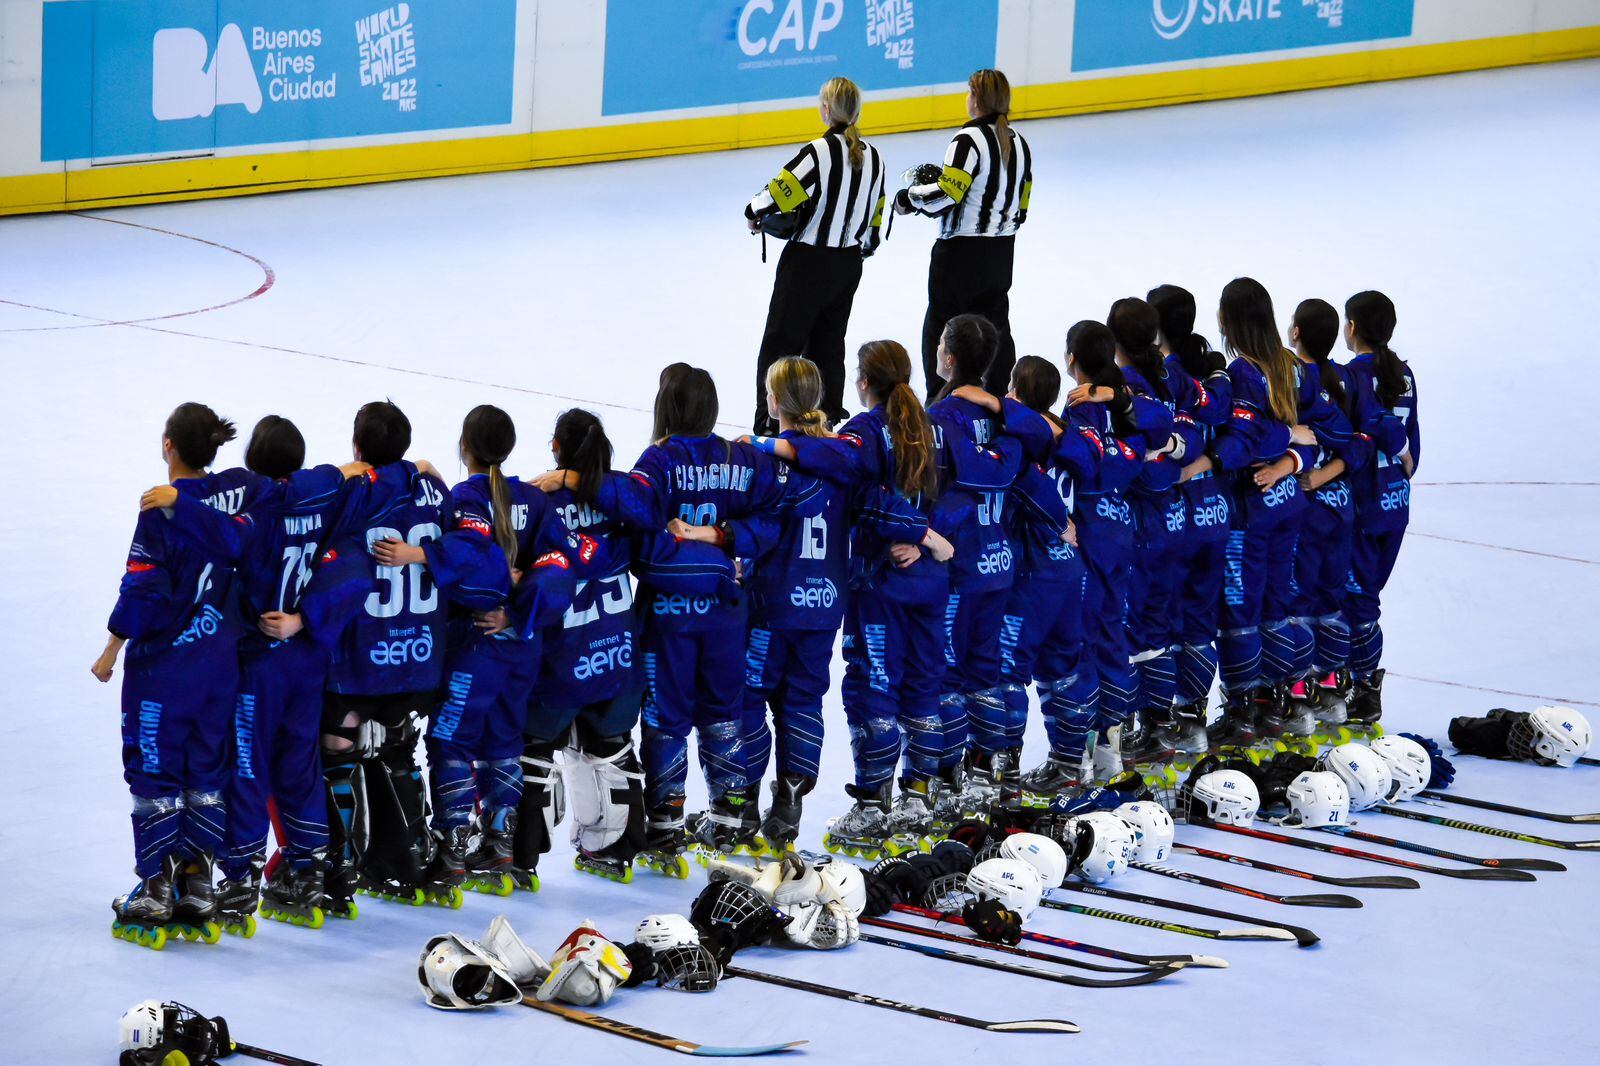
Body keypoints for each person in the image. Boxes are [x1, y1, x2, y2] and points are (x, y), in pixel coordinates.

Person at [547, 365, 793, 870]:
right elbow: (776, 513)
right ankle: (730, 816)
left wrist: (577, 478)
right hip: (726, 610)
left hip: (667, 615)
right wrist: (725, 539)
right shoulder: (740, 458)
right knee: (725, 710)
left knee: (665, 718)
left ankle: (665, 823)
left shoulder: (659, 458)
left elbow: (633, 506)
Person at [135, 415, 364, 930]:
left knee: (246, 767)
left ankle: (239, 879)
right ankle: (307, 870)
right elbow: (352, 558)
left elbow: (227, 539)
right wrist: (308, 619)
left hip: (260, 661)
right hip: (306, 656)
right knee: (300, 764)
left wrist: (179, 503)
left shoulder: (259, 509)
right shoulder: (321, 489)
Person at [728, 357, 933, 852]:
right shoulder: (840, 460)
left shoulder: (771, 461)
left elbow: (757, 529)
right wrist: (924, 534)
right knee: (801, 702)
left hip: (773, 606)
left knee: (750, 700)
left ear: (773, 401)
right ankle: (790, 807)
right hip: (823, 608)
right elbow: (881, 503)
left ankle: (741, 812)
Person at [374, 406, 579, 898]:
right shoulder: (531, 497)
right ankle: (501, 845)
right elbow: (561, 565)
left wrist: (418, 554)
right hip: (522, 648)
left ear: (464, 444)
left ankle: (452, 852)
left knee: (451, 742)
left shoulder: (468, 498)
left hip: (477, 649)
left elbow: (472, 551)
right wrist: (520, 612)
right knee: (504, 741)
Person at [526, 409, 737, 883]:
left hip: (560, 660)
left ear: (556, 448)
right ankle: (617, 847)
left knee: (531, 749)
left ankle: (514, 853)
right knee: (612, 745)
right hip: (614, 655)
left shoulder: (538, 501)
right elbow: (650, 516)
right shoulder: (624, 499)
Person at [310, 401, 503, 910]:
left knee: (338, 747)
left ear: (357, 448)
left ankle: (339, 869)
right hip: (418, 658)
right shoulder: (434, 489)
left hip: (360, 661)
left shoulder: (350, 494)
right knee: (398, 747)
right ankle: (412, 857)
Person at [772, 341, 956, 853]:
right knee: (924, 683)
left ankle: (874, 806)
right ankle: (920, 796)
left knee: (874, 686)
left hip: (882, 581)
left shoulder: (866, 431)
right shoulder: (934, 424)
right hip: (932, 579)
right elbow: (962, 493)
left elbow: (860, 492)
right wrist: (932, 538)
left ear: (863, 381)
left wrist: (769, 447)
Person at [96, 404, 257, 948]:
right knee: (207, 769)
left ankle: (156, 884)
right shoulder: (237, 493)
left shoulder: (158, 511)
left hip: (164, 670)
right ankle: (199, 881)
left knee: (154, 769)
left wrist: (112, 645)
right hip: (219, 667)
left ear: (168, 446)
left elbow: (143, 591)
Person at [1177, 279, 1321, 750]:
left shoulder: (1242, 371)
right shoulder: (1290, 363)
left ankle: (1245, 713)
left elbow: (1248, 440)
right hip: (1287, 503)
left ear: (1227, 320)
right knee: (1279, 602)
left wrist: (1210, 459)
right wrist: (1292, 461)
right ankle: (1286, 704)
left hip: (1251, 510)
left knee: (1240, 611)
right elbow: (1316, 432)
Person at [990, 356, 1114, 799]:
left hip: (1031, 576)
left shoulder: (1021, 438)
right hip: (1071, 571)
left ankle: (1002, 776)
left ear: (1017, 394)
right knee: (1064, 670)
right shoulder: (1071, 436)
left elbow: (1020, 482)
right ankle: (1068, 764)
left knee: (1008, 675)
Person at [746, 77, 888, 432]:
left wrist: (752, 211)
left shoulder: (817, 153)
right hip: (847, 265)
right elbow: (875, 217)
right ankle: (827, 420)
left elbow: (779, 192)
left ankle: (770, 420)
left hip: (807, 263)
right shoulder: (875, 158)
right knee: (829, 344)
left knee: (781, 343)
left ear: (826, 109)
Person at [897, 69, 1032, 398]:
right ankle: (1000, 397)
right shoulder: (1019, 142)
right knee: (996, 326)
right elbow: (1023, 202)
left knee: (942, 327)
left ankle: (940, 399)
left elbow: (946, 195)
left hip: (960, 254)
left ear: (976, 99)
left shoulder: (968, 140)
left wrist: (909, 198)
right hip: (1002, 252)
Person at [1276, 300, 1372, 730]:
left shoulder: (1292, 378)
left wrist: (1313, 478)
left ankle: (1297, 701)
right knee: (1330, 604)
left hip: (1308, 511)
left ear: (1295, 333)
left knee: (1296, 605)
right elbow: (1359, 442)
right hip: (1342, 509)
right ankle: (1332, 696)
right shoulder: (1345, 377)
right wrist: (1332, 475)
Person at [1148, 284, 1232, 754]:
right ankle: (1193, 716)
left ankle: (1162, 724)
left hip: (1177, 518)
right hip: (1215, 511)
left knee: (1159, 619)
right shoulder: (1211, 375)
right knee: (1200, 619)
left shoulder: (1165, 379)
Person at [1341, 290, 1418, 726]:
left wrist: (1399, 447)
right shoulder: (1404, 373)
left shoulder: (1355, 375)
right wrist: (1405, 464)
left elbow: (1377, 422)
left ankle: (1360, 691)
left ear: (1352, 327)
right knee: (1367, 596)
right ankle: (1360, 687)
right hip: (1396, 502)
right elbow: (1414, 439)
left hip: (1365, 505)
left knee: (1356, 599)